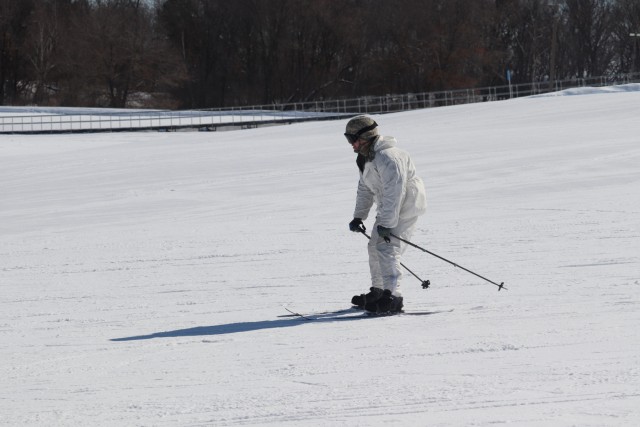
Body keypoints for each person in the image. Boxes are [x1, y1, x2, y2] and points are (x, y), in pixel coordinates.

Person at [345, 115, 427, 313]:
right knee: (374, 246)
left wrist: (387, 223)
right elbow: (365, 189)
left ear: (366, 137)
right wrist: (359, 217)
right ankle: (379, 291)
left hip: (405, 207)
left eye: (352, 139)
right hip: (388, 208)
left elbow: (395, 192)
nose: (352, 145)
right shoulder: (366, 158)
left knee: (387, 248)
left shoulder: (389, 157)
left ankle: (393, 297)